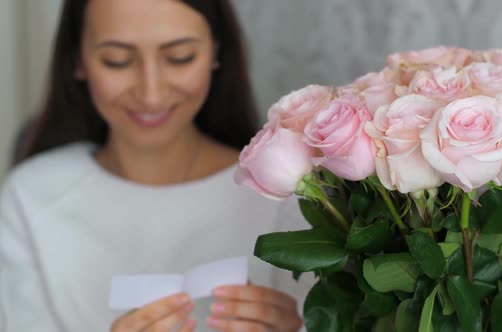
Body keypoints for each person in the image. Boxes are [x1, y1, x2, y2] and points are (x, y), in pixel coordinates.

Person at [0, 0, 309, 331]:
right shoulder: (30, 197)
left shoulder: (283, 191)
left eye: (180, 57)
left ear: (216, 51)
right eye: (117, 61)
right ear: (78, 60)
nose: (151, 94)